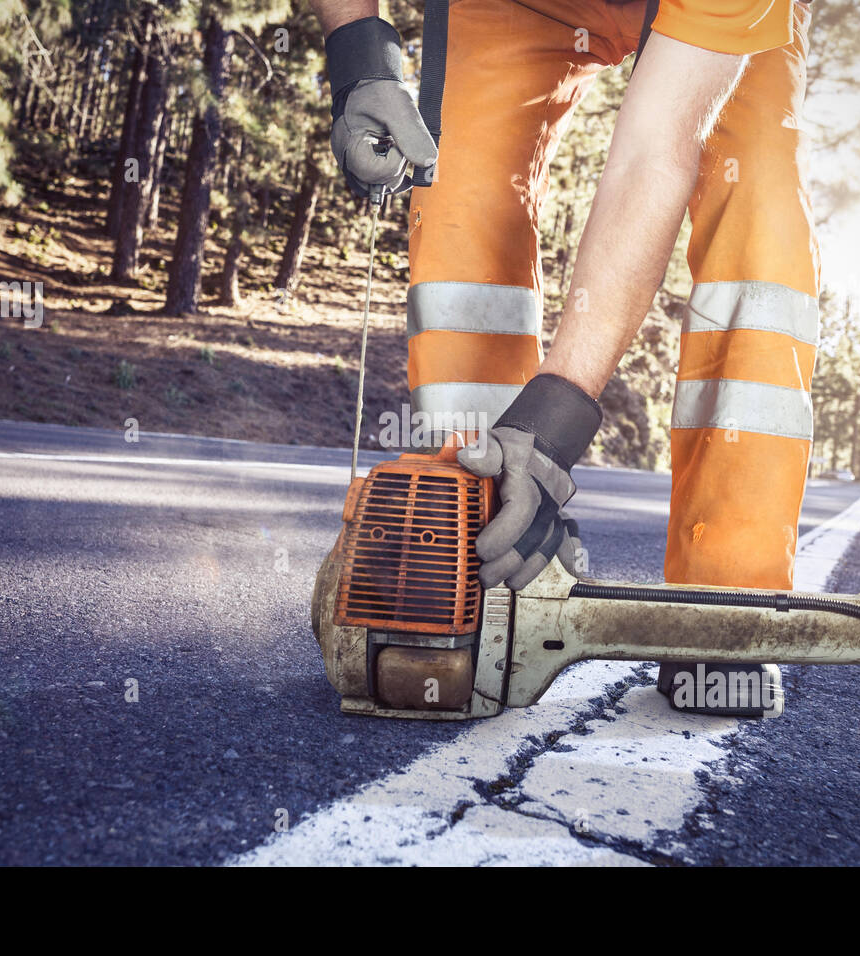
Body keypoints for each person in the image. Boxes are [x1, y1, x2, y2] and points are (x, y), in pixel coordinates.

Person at [313, 0, 818, 718]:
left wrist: (552, 424)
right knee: (463, 199)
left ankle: (726, 602)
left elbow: (654, 152)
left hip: (712, 19)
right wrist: (359, 55)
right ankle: (465, 559)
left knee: (759, 208)